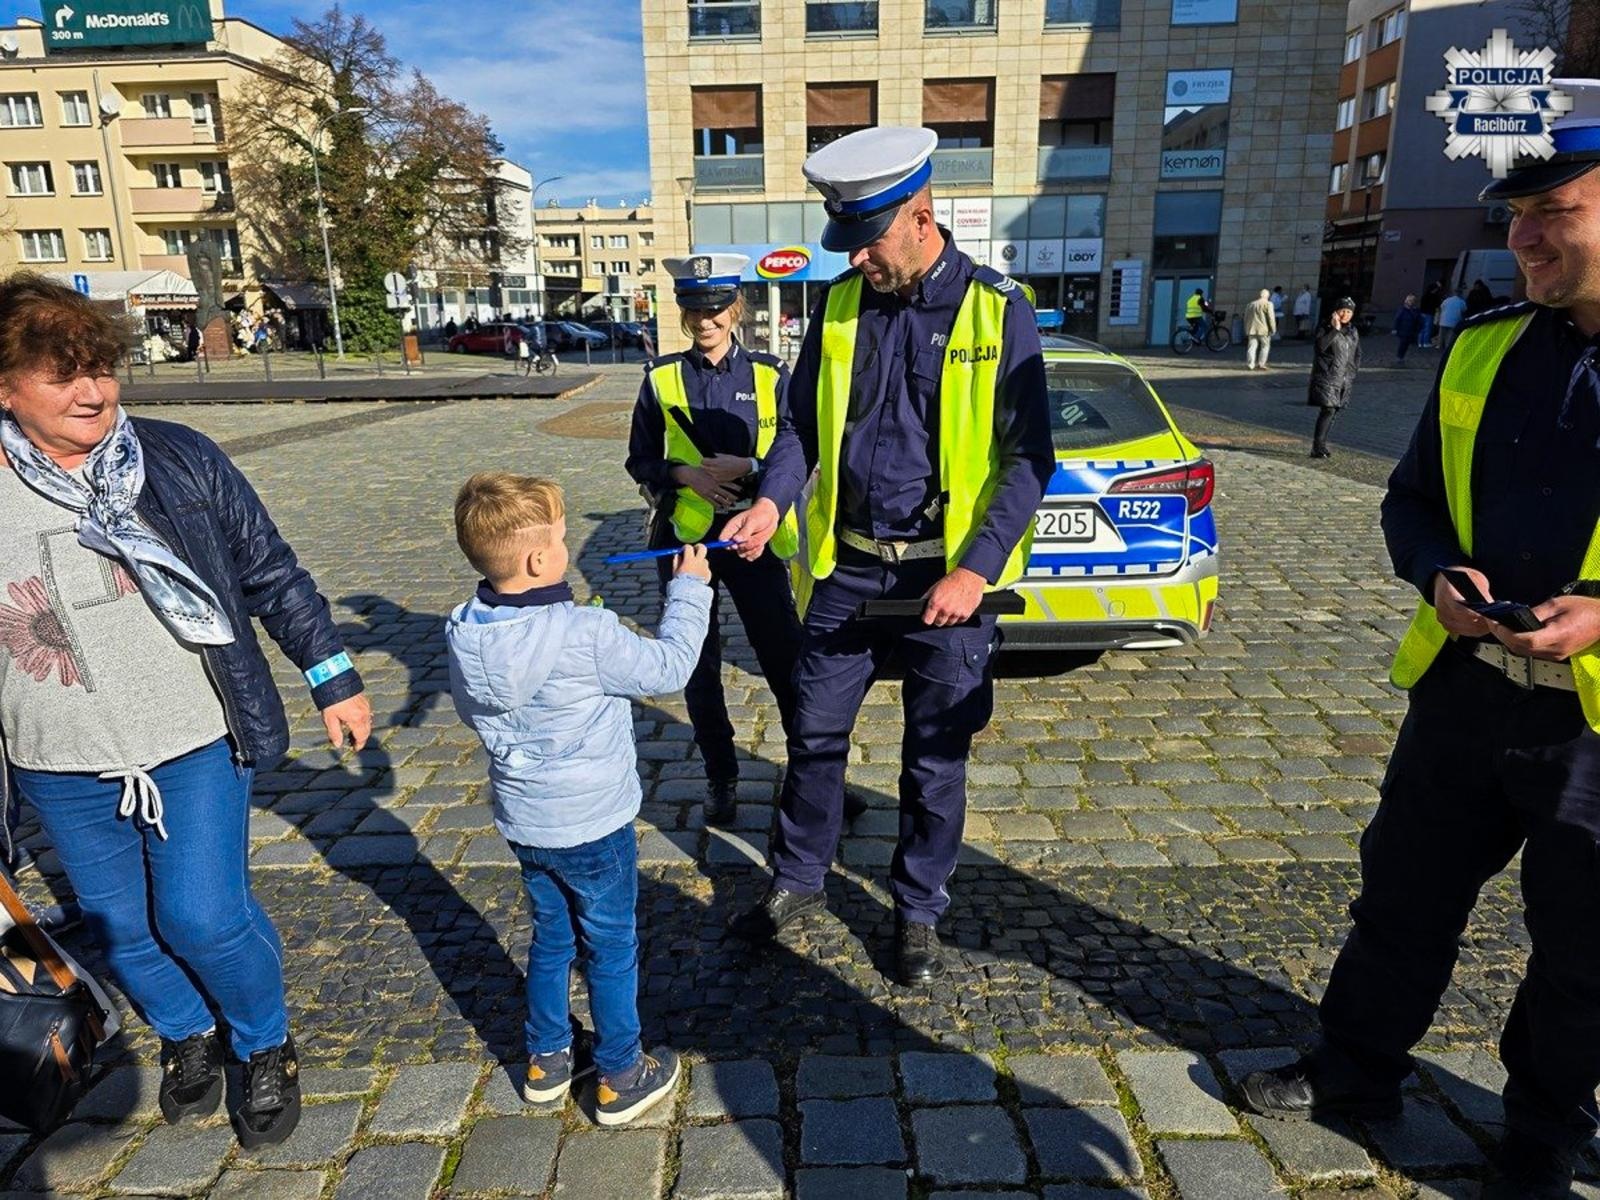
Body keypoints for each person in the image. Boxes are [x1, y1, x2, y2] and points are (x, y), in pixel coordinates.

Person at [1242, 78, 1600, 1200]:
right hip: (1464, 689)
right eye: (1515, 215)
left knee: (1582, 951)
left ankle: (1542, 1134)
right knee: (1399, 896)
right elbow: (1409, 501)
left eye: (1556, 211)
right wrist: (1434, 571)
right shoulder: (1486, 346)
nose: (1524, 237)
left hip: (1592, 724)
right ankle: (1354, 1071)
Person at [0, 273, 372, 1149]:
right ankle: (185, 1033)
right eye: (63, 376)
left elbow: (269, 570)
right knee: (123, 927)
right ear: (6, 387)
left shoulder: (176, 457)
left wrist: (335, 675)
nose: (93, 391)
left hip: (196, 735)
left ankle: (265, 1042)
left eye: (101, 368)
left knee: (202, 914)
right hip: (58, 758)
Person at [724, 126, 1054, 985]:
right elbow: (800, 427)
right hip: (848, 572)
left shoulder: (997, 308)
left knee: (935, 759)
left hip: (948, 579)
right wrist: (769, 500)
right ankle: (796, 883)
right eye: (850, 242)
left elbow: (1029, 458)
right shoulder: (837, 305)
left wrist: (976, 568)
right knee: (813, 737)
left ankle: (916, 912)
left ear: (922, 214)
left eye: (870, 240)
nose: (860, 258)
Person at [444, 473, 710, 1124]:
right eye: (562, 539)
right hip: (593, 820)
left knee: (552, 938)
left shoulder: (464, 629)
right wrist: (690, 591)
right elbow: (671, 667)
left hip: (527, 820)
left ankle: (546, 1060)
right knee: (611, 946)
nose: (567, 547)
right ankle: (622, 1072)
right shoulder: (582, 633)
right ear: (539, 560)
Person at [625, 254, 853, 828]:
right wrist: (687, 475)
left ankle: (817, 781)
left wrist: (748, 465)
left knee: (786, 664)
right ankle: (721, 778)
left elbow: (797, 449)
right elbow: (640, 458)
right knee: (698, 667)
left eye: (715, 308)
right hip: (687, 543)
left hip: (755, 542)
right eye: (693, 308)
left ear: (735, 309)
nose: (704, 320)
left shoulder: (773, 376)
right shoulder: (660, 378)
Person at [1306, 296, 1360, 458]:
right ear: (1336, 311)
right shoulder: (1325, 327)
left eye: (1349, 311)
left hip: (1344, 378)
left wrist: (1353, 370)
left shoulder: (1353, 331)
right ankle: (1317, 446)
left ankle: (1321, 445)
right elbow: (1320, 347)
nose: (1345, 314)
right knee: (1328, 410)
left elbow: (1357, 353)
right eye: (1343, 310)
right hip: (1327, 376)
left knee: (1334, 411)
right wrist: (1334, 329)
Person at [1244, 288, 1277, 369]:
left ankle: (1250, 364)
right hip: (1264, 330)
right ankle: (1261, 363)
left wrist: (1246, 328)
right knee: (1265, 346)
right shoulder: (1268, 304)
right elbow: (1271, 318)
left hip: (1251, 329)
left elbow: (1246, 317)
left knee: (1251, 347)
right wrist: (1273, 329)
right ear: (1267, 296)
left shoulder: (1250, 304)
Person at [1391, 293, 1424, 365]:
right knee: (1403, 343)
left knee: (1406, 344)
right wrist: (1395, 328)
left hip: (1411, 330)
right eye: (1409, 300)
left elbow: (1419, 320)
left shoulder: (1415, 311)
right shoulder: (1402, 310)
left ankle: (1401, 356)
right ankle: (1399, 357)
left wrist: (1418, 329)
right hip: (1403, 330)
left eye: (1412, 301)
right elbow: (1397, 319)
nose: (1411, 302)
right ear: (1406, 301)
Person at [1437, 287, 1468, 353]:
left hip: (1444, 320)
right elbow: (1464, 310)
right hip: (1454, 321)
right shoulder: (1461, 302)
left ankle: (1439, 345)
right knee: (1450, 335)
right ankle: (1447, 347)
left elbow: (1441, 307)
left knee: (1441, 334)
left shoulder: (1447, 300)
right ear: (1460, 294)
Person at [1418, 280, 1443, 348]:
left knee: (1422, 328)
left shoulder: (1425, 295)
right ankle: (1425, 342)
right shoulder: (1434, 297)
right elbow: (1437, 305)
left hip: (1422, 313)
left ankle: (1420, 342)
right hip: (1429, 313)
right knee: (1428, 328)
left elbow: (1422, 304)